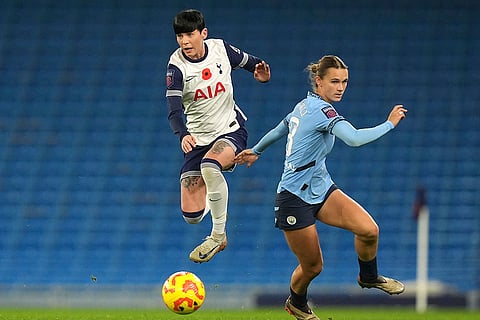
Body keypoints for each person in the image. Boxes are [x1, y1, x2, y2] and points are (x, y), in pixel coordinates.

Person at [235, 55, 406, 320]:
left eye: (345, 81)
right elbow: (355, 139)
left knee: (369, 230)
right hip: (293, 198)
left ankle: (369, 277)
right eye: (334, 81)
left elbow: (282, 127)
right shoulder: (322, 112)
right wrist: (390, 123)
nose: (341, 87)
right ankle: (297, 303)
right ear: (319, 81)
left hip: (321, 188)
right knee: (313, 267)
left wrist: (256, 150)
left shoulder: (304, 106)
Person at [166, 9, 271, 263]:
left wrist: (261, 73)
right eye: (180, 36)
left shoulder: (221, 49)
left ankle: (218, 236)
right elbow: (173, 110)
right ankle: (216, 191)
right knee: (191, 216)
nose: (185, 41)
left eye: (190, 34)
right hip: (197, 140)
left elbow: (252, 62)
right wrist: (183, 134)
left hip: (230, 130)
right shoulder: (176, 67)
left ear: (203, 33)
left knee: (210, 166)